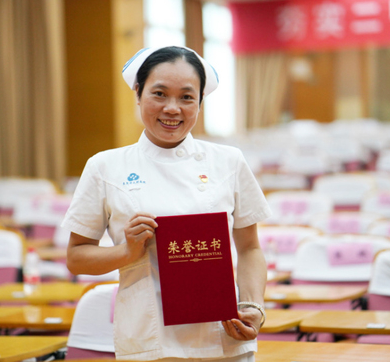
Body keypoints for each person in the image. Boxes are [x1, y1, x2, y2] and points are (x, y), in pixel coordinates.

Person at [63, 46, 271, 361]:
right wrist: (126, 251)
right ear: (138, 93)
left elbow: (250, 248)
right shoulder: (105, 167)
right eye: (159, 94)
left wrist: (253, 305)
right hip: (149, 340)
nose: (172, 108)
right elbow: (77, 257)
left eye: (186, 97)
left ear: (200, 102)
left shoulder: (228, 161)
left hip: (225, 337)